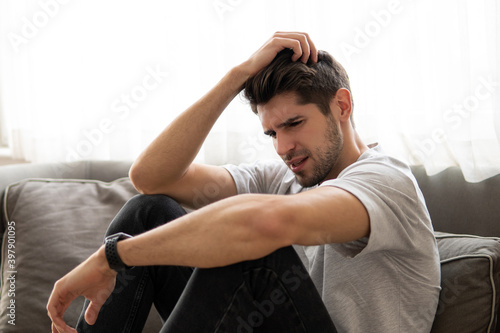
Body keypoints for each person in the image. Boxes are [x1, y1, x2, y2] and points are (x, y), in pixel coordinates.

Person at [47, 32, 441, 333]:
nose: (284, 147)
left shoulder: (386, 180)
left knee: (258, 256)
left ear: (341, 106)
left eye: (294, 124)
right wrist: (238, 75)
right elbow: (151, 177)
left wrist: (111, 257)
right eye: (272, 133)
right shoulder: (282, 179)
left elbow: (261, 225)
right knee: (148, 211)